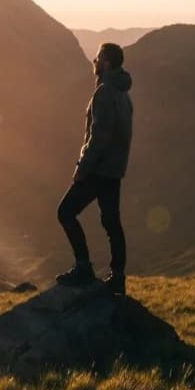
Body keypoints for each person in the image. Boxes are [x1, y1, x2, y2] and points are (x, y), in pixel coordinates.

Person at [57, 42, 133, 294]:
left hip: (98, 169)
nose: (95, 61)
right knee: (112, 222)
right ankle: (118, 277)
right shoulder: (123, 94)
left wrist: (82, 167)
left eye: (98, 58)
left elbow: (98, 137)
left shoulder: (104, 93)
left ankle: (83, 268)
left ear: (107, 63)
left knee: (65, 212)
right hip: (114, 171)